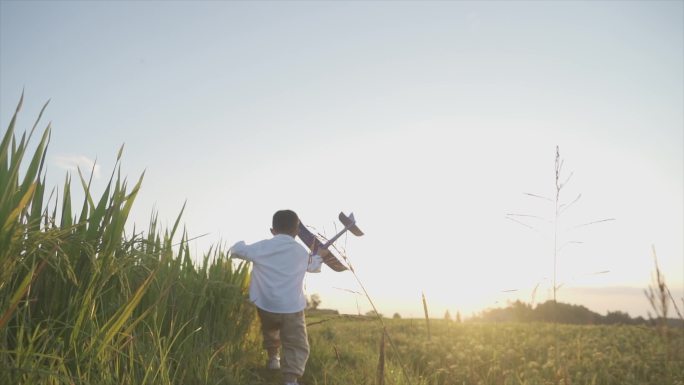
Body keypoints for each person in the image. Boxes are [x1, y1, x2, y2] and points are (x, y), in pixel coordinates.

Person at [229, 209, 325, 385]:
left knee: (270, 331)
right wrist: (319, 256)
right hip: (292, 308)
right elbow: (313, 267)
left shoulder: (262, 247)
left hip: (265, 305)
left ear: (272, 230)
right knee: (296, 343)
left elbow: (236, 251)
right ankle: (290, 379)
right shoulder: (301, 252)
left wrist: (241, 244)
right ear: (297, 232)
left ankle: (274, 359)